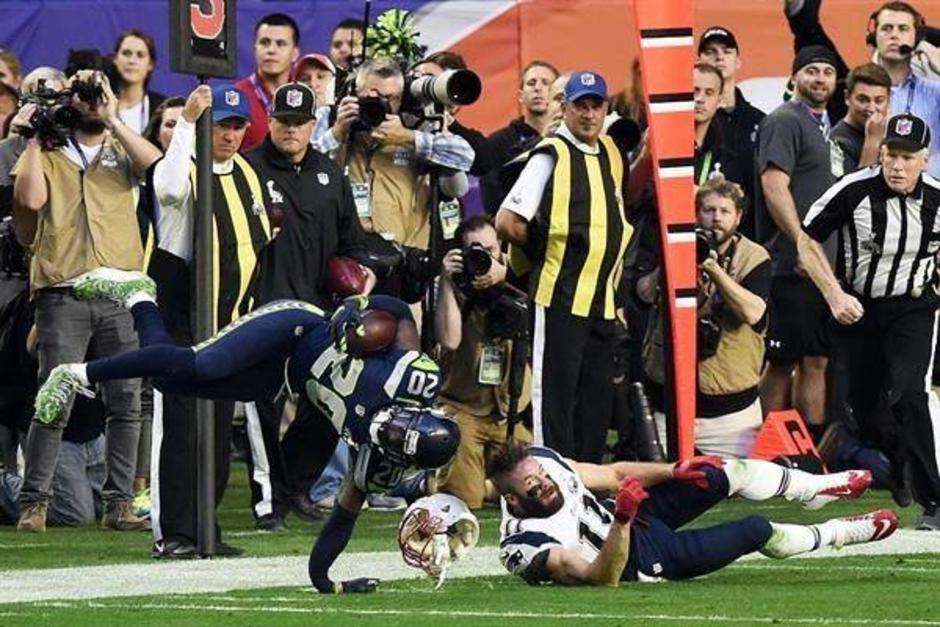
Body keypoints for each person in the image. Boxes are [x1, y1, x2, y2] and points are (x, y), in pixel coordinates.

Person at [32, 269, 459, 586]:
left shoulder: (376, 466)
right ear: (426, 412)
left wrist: (332, 584)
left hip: (284, 376)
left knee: (168, 379)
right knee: (201, 362)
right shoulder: (414, 374)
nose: (392, 429)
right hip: (295, 326)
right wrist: (358, 306)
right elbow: (400, 310)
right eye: (405, 423)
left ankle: (139, 296)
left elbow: (340, 525)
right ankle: (76, 374)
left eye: (397, 441)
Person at [12, 68, 161, 533]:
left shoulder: (120, 146)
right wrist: (36, 138)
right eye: (84, 95)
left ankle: (120, 504)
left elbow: (156, 166)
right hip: (64, 289)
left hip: (120, 286)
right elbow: (31, 201)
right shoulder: (49, 151)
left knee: (127, 400)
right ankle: (33, 503)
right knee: (53, 397)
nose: (91, 101)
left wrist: (113, 117)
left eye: (99, 92)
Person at [146, 83, 274, 556]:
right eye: (222, 125)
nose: (231, 135)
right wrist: (186, 124)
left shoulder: (245, 172)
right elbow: (169, 188)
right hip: (180, 323)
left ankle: (205, 528)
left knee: (218, 435)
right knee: (180, 432)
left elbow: (258, 241)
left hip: (229, 323)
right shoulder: (182, 167)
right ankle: (173, 534)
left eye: (238, 126)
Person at [243, 81, 375, 530]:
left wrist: (360, 274)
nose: (291, 130)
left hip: (317, 311)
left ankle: (295, 484)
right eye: (284, 121)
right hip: (262, 308)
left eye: (301, 123)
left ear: (313, 125)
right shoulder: (248, 170)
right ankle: (268, 503)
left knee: (328, 404)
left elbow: (351, 242)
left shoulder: (330, 174)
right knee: (264, 409)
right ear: (272, 121)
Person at [798, 113, 940, 531]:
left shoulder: (937, 199)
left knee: (909, 394)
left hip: (913, 308)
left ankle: (933, 500)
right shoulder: (854, 189)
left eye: (907, 157)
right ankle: (900, 465)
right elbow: (807, 238)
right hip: (859, 308)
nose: (897, 165)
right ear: (881, 153)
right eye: (891, 155)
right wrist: (834, 294)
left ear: (924, 159)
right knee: (864, 412)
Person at [491, 443, 892, 586]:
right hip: (637, 559)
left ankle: (815, 489)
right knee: (756, 529)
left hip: (632, 515)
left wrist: (671, 470)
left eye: (543, 475)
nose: (548, 483)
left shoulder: (541, 462)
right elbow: (603, 578)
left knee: (714, 473)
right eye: (534, 487)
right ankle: (838, 533)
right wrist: (623, 521)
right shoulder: (524, 545)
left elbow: (612, 474)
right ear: (513, 501)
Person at [496, 71, 632, 463]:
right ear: (565, 108)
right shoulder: (549, 154)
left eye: (596, 106)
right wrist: (547, 251)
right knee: (555, 399)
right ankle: (553, 479)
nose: (589, 115)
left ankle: (588, 484)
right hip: (559, 296)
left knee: (595, 403)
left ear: (606, 109)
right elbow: (507, 220)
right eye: (580, 106)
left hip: (602, 300)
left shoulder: (610, 152)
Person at [641, 178, 770, 458]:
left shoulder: (754, 256)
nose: (716, 219)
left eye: (725, 212)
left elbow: (754, 313)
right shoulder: (673, 243)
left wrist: (712, 267)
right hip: (669, 405)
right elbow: (642, 295)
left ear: (738, 217)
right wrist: (669, 263)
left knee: (741, 488)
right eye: (709, 210)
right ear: (697, 213)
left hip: (730, 414)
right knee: (661, 484)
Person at [756, 46, 840, 444]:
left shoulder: (826, 125)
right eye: (811, 71)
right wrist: (802, 241)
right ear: (794, 78)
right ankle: (774, 448)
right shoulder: (785, 120)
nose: (820, 78)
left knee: (816, 359)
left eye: (827, 71)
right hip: (791, 264)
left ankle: (811, 449)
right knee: (781, 360)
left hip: (825, 269)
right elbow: (774, 186)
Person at [324, 58, 474, 254]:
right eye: (373, 96)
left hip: (403, 256)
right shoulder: (332, 117)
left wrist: (407, 137)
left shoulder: (417, 125)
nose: (383, 103)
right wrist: (337, 133)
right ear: (356, 93)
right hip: (346, 251)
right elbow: (301, 161)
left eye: (392, 98)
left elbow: (465, 155)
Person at [434, 216, 533, 508]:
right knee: (466, 500)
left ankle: (485, 483)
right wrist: (448, 286)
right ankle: (429, 479)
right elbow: (449, 340)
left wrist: (507, 277)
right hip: (464, 412)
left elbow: (542, 317)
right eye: (476, 252)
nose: (484, 259)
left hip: (509, 416)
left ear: (501, 248)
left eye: (490, 250)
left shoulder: (517, 280)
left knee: (530, 492)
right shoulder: (454, 287)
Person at [697, 26, 765, 237]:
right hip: (702, 230)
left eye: (726, 51)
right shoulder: (694, 120)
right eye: (710, 51)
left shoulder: (760, 121)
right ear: (698, 60)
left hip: (749, 236)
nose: (719, 57)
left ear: (738, 61)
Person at [481, 61, 560, 214]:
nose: (538, 88)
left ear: (559, 95)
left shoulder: (569, 140)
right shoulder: (496, 144)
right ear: (520, 96)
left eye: (546, 83)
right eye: (531, 83)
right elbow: (491, 203)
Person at [235, 13, 301, 151]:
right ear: (255, 49)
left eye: (280, 44)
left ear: (295, 53)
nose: (271, 50)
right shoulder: (236, 96)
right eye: (265, 42)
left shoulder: (306, 98)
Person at [693, 63, 745, 192]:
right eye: (694, 90)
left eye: (709, 93)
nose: (700, 99)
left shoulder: (725, 152)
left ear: (719, 100)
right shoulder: (665, 143)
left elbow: (737, 200)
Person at [830, 64, 891, 173]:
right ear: (847, 97)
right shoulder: (836, 142)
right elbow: (854, 188)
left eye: (879, 101)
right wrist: (873, 141)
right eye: (863, 100)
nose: (872, 108)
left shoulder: (892, 134)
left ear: (889, 99)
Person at [112, 29, 166, 135]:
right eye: (126, 53)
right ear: (115, 59)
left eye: (140, 55)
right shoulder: (102, 104)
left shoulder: (162, 108)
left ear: (150, 64)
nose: (132, 61)